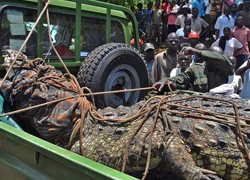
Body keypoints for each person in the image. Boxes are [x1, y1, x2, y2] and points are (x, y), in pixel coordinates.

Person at [152, 46, 233, 93]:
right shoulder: (196, 68)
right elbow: (181, 77)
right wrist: (167, 80)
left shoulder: (225, 69)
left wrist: (197, 52)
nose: (214, 61)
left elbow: (222, 60)